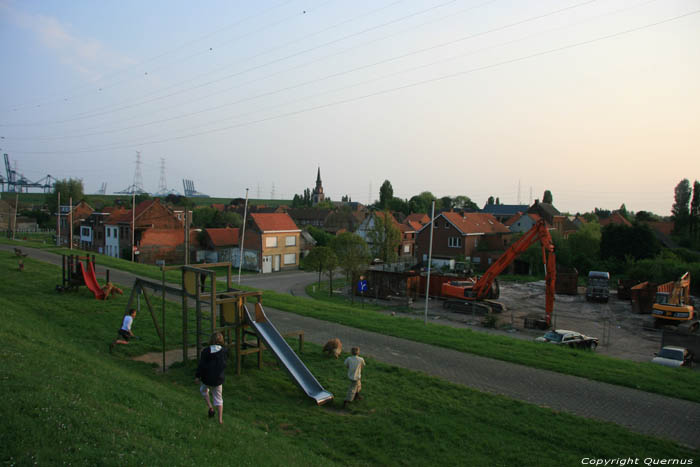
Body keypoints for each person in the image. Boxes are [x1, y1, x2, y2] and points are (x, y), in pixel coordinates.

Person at [195, 332, 228, 424]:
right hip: (218, 379)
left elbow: (201, 365)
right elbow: (224, 364)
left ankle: (210, 407)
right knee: (219, 399)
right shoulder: (224, 351)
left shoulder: (205, 351)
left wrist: (197, 376)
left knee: (203, 390)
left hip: (206, 379)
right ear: (221, 340)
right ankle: (220, 420)